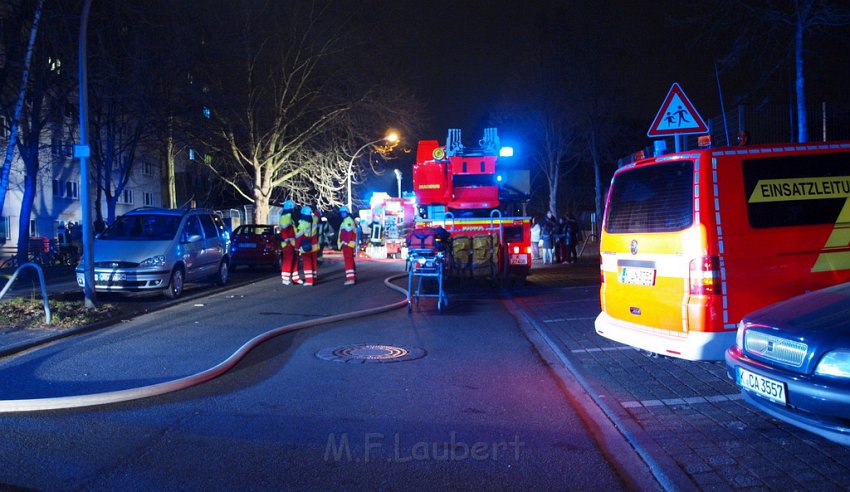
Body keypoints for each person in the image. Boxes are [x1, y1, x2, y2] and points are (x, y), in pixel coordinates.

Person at [296, 205, 320, 286]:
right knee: (313, 262)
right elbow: (317, 216)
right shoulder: (314, 220)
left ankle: (309, 280)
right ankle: (314, 277)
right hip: (314, 244)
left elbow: (299, 237)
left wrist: (296, 247)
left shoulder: (302, 223)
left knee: (307, 263)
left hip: (305, 245)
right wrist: (317, 211)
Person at [279, 200, 301, 285]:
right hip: (288, 243)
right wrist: (287, 240)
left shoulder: (288, 216)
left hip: (292, 242)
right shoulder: (286, 216)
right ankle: (285, 279)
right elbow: (284, 229)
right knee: (288, 260)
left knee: (295, 260)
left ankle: (295, 278)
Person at [337, 205, 357, 285]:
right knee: (350, 261)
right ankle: (352, 277)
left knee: (348, 261)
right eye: (341, 213)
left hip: (347, 244)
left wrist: (343, 242)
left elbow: (347, 234)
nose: (342, 214)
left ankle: (350, 279)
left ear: (347, 213)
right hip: (348, 244)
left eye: (343, 213)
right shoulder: (347, 221)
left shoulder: (348, 221)